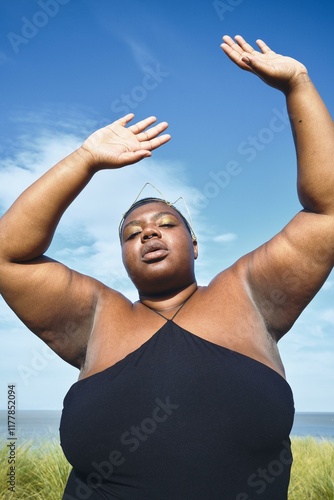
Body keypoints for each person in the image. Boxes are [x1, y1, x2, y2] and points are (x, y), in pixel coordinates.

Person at [0, 34, 333, 499]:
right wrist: (85, 159)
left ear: (194, 244)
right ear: (123, 257)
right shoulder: (97, 317)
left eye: (164, 224)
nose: (148, 234)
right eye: (132, 233)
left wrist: (298, 83)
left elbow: (327, 211)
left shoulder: (251, 294)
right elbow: (8, 254)